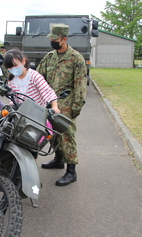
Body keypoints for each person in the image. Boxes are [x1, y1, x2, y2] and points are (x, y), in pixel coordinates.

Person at [36, 24, 87, 186]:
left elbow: (80, 84)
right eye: (50, 38)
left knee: (67, 135)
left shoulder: (75, 58)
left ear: (64, 39)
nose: (51, 41)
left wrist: (76, 107)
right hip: (50, 104)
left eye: (54, 39)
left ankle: (71, 171)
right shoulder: (49, 57)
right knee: (52, 133)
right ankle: (58, 160)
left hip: (66, 105)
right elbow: (38, 76)